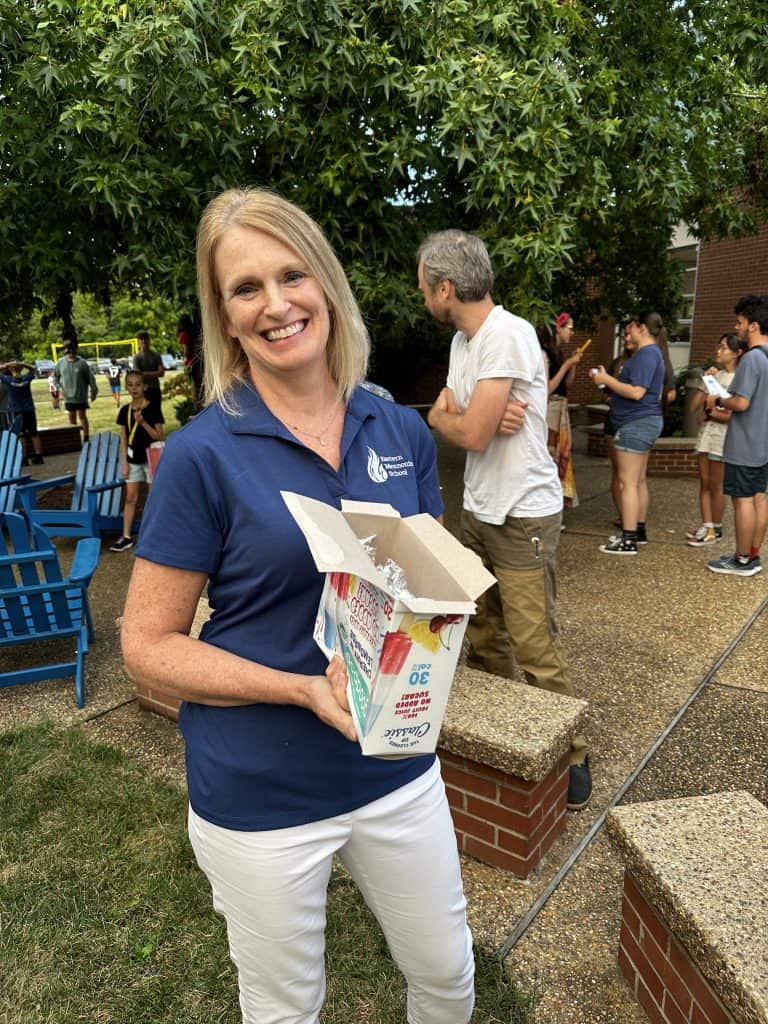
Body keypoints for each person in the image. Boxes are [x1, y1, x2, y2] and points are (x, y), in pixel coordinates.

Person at [121, 187, 475, 1024]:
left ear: (326, 283)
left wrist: (437, 624)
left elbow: (414, 582)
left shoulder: (398, 429)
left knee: (447, 978)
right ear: (226, 316)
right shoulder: (202, 454)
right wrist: (298, 688)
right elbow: (146, 645)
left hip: (394, 767)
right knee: (285, 1009)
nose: (277, 304)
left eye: (292, 275)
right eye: (247, 289)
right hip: (261, 789)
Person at [417, 229, 591, 810]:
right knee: (485, 631)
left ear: (446, 287)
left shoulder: (507, 336)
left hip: (523, 516)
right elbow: (451, 416)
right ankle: (502, 737)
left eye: (425, 289)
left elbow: (466, 429)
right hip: (479, 508)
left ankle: (573, 752)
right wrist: (461, 419)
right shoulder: (464, 346)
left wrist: (461, 421)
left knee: (533, 642)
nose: (424, 300)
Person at [592, 312, 665, 554]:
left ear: (642, 328)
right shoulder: (653, 354)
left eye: (631, 328)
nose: (628, 333)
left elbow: (636, 392)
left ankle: (628, 539)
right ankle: (638, 530)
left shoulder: (646, 354)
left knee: (628, 483)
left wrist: (606, 379)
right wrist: (609, 381)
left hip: (635, 423)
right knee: (638, 480)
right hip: (644, 422)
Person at [706, 295, 768, 577]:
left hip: (745, 443)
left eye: (740, 322)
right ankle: (753, 554)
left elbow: (741, 403)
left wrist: (719, 398)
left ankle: (742, 560)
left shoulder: (753, 359)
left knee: (742, 500)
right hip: (763, 443)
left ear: (753, 325)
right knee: (759, 498)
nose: (737, 327)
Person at [686, 333, 746, 547]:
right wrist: (705, 383)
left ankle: (715, 526)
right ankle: (707, 523)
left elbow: (734, 416)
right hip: (706, 435)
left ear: (737, 353)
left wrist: (711, 414)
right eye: (718, 347)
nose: (718, 352)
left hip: (723, 439)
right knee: (704, 481)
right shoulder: (716, 376)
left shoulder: (740, 379)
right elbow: (694, 408)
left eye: (723, 348)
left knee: (716, 484)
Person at [109, 370, 164, 553]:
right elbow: (123, 438)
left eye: (138, 384)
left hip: (151, 459)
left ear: (144, 386)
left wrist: (143, 423)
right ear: (126, 387)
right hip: (133, 460)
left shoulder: (153, 408)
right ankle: (126, 536)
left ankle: (151, 535)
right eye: (130, 385)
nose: (134, 388)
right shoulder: (124, 410)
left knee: (152, 498)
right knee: (130, 498)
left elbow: (159, 435)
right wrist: (124, 462)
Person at [540, 311, 583, 508]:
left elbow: (567, 384)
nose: (572, 333)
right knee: (549, 458)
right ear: (558, 327)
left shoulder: (558, 352)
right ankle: (548, 506)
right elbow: (546, 389)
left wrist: (572, 365)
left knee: (561, 458)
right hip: (550, 411)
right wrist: (567, 365)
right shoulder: (544, 353)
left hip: (560, 409)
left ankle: (556, 505)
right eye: (570, 329)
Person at [604, 322, 638, 526]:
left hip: (636, 425)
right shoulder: (617, 363)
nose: (626, 338)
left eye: (629, 333)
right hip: (614, 423)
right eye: (623, 334)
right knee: (619, 472)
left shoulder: (649, 361)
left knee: (633, 477)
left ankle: (632, 521)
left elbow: (668, 393)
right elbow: (605, 392)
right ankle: (624, 516)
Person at [0, 360, 44, 464]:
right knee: (34, 433)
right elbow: (34, 369)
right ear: (21, 369)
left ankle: (23, 457)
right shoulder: (26, 378)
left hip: (15, 410)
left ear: (10, 370)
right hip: (29, 409)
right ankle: (39, 456)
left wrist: (7, 364)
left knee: (20, 434)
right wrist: (23, 364)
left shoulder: (8, 380)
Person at [53, 341, 98, 442]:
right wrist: (58, 387)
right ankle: (74, 438)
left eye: (72, 349)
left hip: (80, 396)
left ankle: (86, 438)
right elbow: (55, 377)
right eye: (67, 349)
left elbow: (90, 378)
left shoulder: (82, 363)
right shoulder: (60, 363)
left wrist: (94, 391)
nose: (70, 351)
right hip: (68, 397)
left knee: (82, 416)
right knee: (71, 418)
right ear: (64, 350)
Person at [132, 331, 165, 414]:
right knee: (144, 415)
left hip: (155, 389)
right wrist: (154, 373)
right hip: (143, 391)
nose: (144, 341)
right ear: (138, 341)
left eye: (145, 339)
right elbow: (138, 376)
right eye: (141, 339)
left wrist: (146, 374)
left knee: (157, 414)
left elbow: (161, 373)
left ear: (149, 340)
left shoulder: (156, 355)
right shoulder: (137, 357)